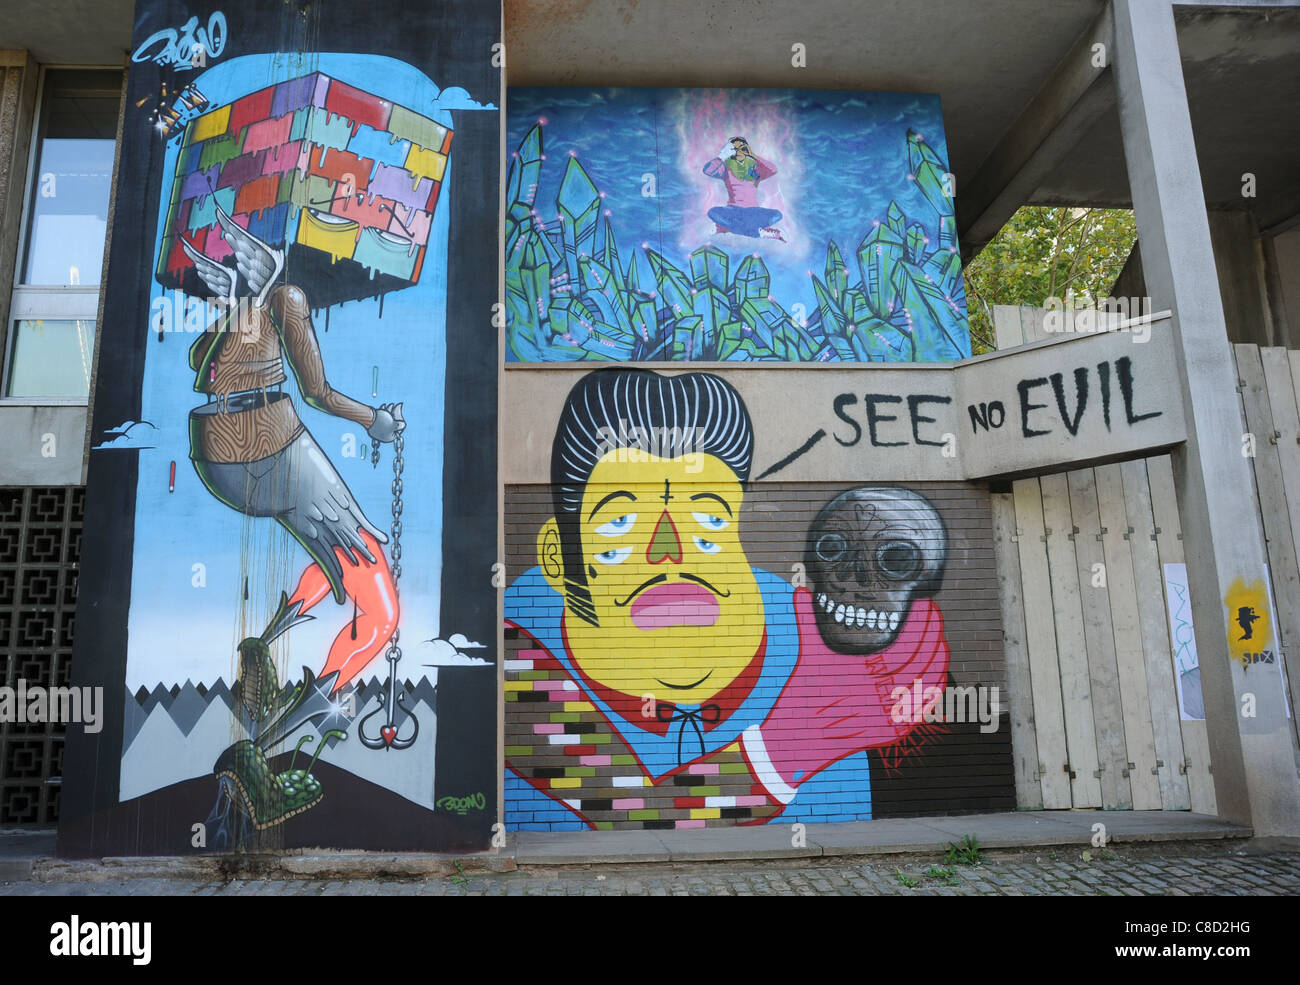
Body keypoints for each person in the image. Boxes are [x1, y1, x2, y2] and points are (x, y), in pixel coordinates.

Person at [504, 369, 948, 829]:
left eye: (708, 520)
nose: (668, 550)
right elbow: (633, 814)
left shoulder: (808, 631)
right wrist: (795, 740)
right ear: (557, 557)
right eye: (620, 522)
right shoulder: (509, 647)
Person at [182, 203, 404, 693]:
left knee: (327, 544)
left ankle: (264, 645)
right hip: (271, 445)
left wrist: (234, 313)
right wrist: (375, 422)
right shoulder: (288, 299)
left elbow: (197, 359)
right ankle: (312, 704)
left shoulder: (242, 312)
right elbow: (316, 392)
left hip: (217, 462)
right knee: (382, 606)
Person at [702, 136, 786, 240]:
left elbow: (773, 169)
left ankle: (724, 228)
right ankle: (758, 232)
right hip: (733, 211)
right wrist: (722, 155)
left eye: (742, 147)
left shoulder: (755, 167)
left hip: (753, 212)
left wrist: (753, 155)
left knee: (777, 215)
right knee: (712, 212)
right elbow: (707, 170)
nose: (739, 151)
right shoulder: (726, 167)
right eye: (735, 148)